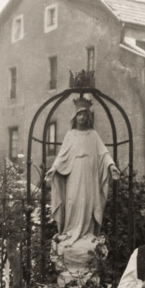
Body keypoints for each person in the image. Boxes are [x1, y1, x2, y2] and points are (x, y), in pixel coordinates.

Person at [45, 96, 119, 246]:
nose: (82, 117)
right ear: (75, 116)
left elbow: (103, 153)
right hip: (74, 173)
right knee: (72, 201)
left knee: (87, 201)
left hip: (89, 175)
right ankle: (71, 231)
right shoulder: (70, 135)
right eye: (80, 114)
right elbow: (61, 157)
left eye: (85, 114)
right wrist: (53, 169)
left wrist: (111, 166)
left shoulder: (93, 135)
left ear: (88, 117)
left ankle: (87, 233)